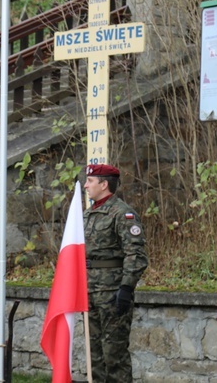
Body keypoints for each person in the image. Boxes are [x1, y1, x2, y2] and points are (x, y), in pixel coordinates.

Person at [83, 164, 148, 382]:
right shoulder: (87, 214)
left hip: (112, 292)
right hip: (90, 290)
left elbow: (136, 254)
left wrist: (127, 288)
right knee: (95, 355)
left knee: (114, 355)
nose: (85, 186)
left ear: (104, 184)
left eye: (90, 181)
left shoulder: (122, 213)